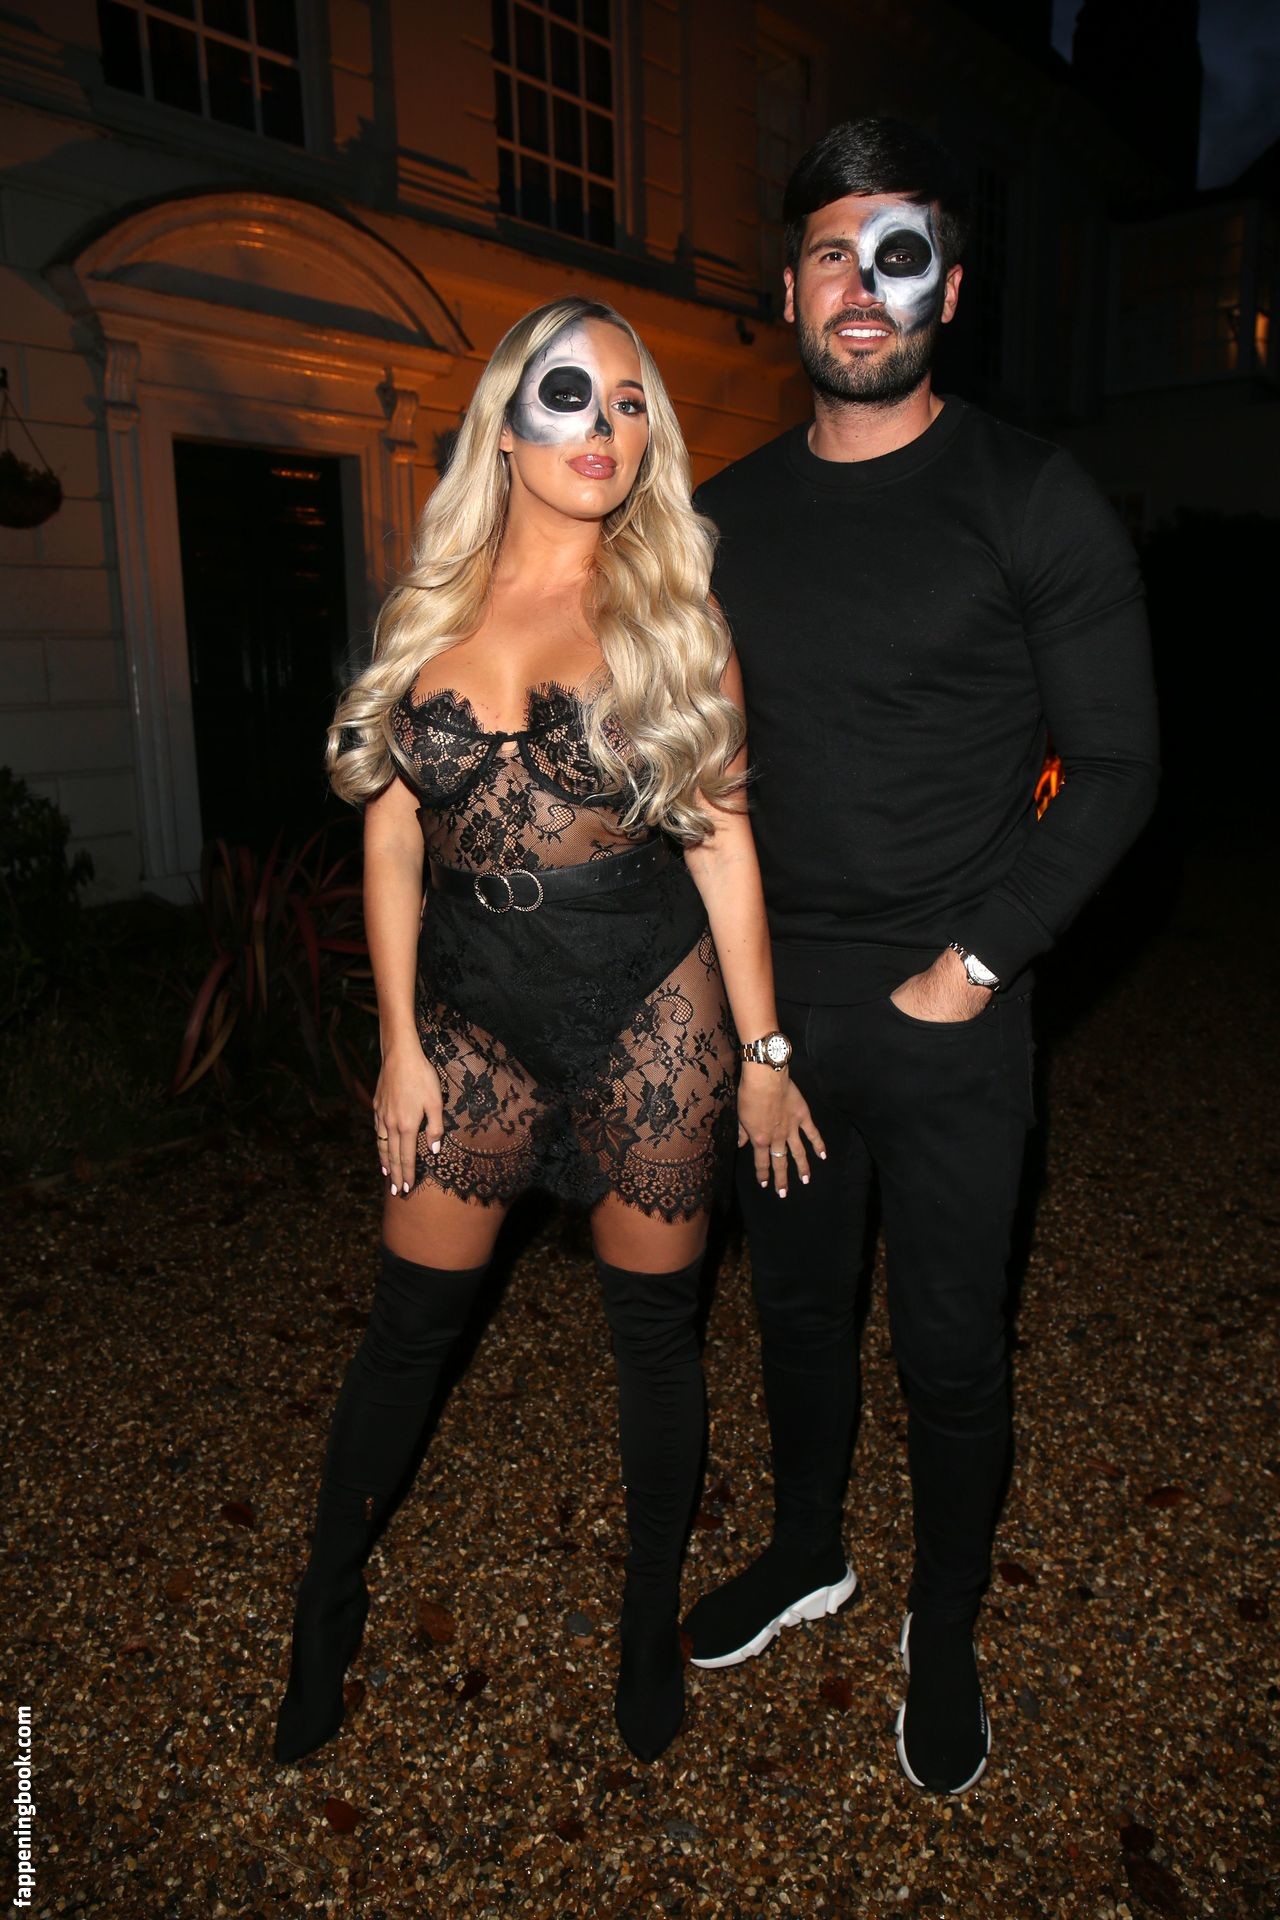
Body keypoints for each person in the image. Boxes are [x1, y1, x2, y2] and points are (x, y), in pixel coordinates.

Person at [272, 296, 821, 1768]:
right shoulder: (426, 615)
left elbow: (723, 846)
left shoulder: (675, 620)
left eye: (631, 404)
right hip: (471, 1014)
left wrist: (767, 1060)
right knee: (407, 1332)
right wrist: (398, 1042)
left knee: (655, 1340)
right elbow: (393, 840)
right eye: (571, 395)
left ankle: (646, 1625)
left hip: (651, 1008)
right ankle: (325, 1606)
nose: (605, 428)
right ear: (505, 426)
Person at [682, 118, 1160, 1795]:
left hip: (955, 1010)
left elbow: (1118, 768)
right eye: (832, 250)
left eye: (900, 253)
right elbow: (694, 780)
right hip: (780, 1016)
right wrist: (743, 1028)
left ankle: (941, 1620)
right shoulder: (722, 519)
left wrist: (973, 967)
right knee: (795, 1316)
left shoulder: (1029, 495)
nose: (862, 285)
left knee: (950, 1349)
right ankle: (808, 1549)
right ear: (790, 289)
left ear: (948, 288)